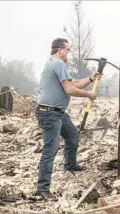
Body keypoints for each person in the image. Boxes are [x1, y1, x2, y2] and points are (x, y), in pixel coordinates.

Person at [35, 38, 101, 200]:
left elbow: (74, 83)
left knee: (72, 135)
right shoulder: (57, 64)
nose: (68, 53)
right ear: (60, 50)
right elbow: (70, 89)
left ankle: (70, 164)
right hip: (50, 113)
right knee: (50, 149)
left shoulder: (55, 64)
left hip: (57, 112)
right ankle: (43, 189)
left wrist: (91, 79)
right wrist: (89, 94)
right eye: (67, 50)